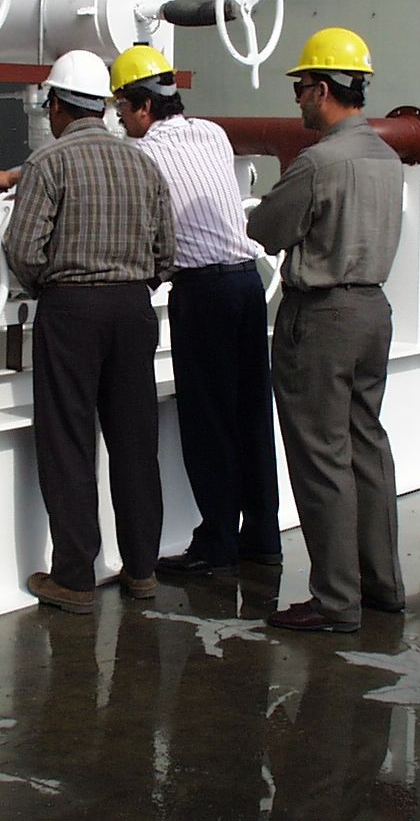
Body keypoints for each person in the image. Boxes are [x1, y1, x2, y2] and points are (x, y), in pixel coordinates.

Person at [3, 49, 177, 615]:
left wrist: (50, 287)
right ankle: (142, 570)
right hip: (132, 310)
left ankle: (75, 577)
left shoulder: (49, 163)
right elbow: (166, 253)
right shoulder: (143, 163)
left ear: (56, 106)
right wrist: (131, 285)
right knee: (134, 441)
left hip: (71, 310)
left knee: (69, 443)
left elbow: (21, 249)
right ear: (102, 106)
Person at [246, 27, 406, 633]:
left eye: (301, 89)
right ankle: (380, 584)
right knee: (367, 446)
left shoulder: (319, 162)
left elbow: (265, 230)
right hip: (374, 312)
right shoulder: (386, 158)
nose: (298, 101)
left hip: (322, 319)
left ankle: (337, 601)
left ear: (321, 88)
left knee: (321, 459)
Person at [110, 44, 282, 577]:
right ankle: (262, 535)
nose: (119, 118)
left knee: (207, 421)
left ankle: (216, 543)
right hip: (246, 286)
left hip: (201, 294)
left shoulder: (141, 154)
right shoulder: (213, 133)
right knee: (252, 413)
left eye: (121, 108)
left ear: (142, 107)